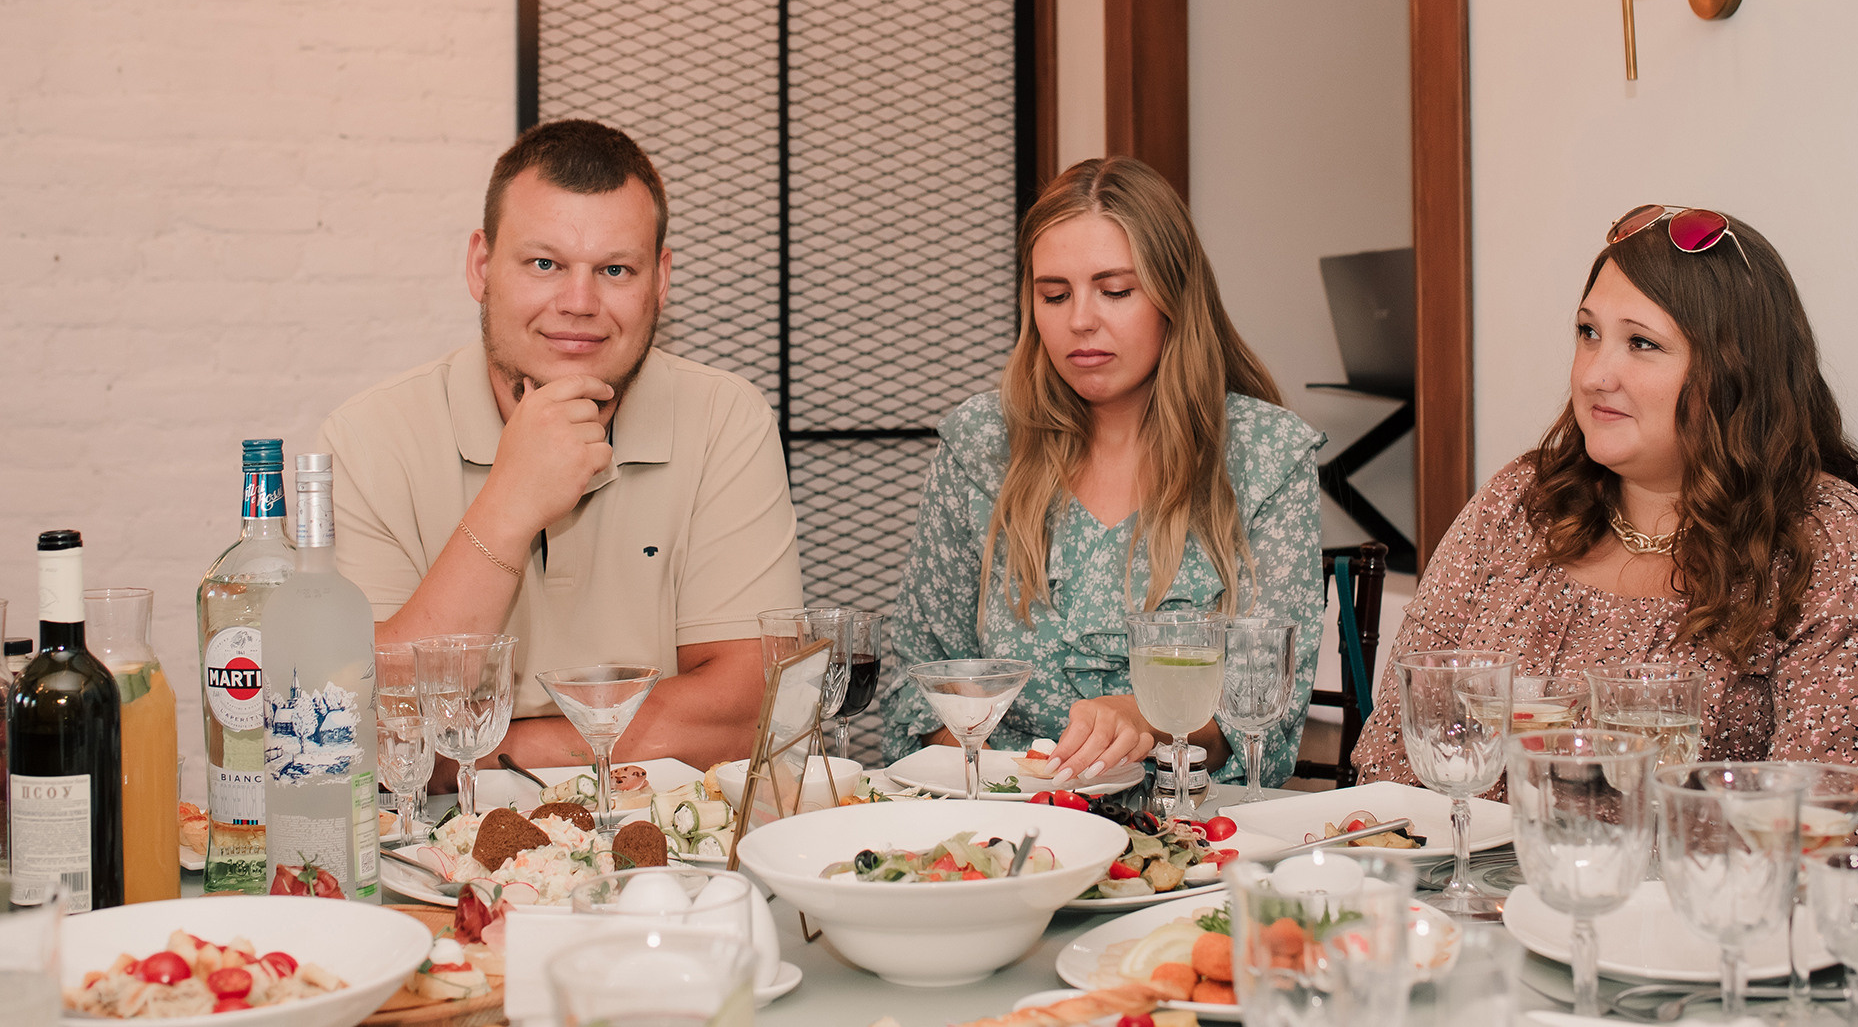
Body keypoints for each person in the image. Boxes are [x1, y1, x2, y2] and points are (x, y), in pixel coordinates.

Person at [1353, 204, 1858, 1021]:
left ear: (1736, 368)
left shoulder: (1839, 548)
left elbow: (1845, 846)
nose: (1596, 373)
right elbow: (1392, 760)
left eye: (1642, 344)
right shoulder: (1518, 507)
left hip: (1756, 989)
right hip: (1499, 963)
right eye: (1588, 332)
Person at [316, 119, 802, 774]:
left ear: (660, 280)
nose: (579, 302)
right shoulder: (366, 440)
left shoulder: (726, 419)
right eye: (544, 264)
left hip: (664, 829)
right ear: (481, 266)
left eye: (615, 269)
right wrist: (510, 504)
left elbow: (745, 713)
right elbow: (355, 725)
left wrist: (490, 750)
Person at [880, 156, 1327, 789]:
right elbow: (919, 682)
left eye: (1115, 291)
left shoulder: (1265, 455)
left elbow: (1263, 715)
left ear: (1175, 295)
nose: (1080, 321)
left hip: (1190, 827)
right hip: (1003, 820)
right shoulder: (981, 445)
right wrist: (1009, 786)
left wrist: (1151, 718)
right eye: (1054, 295)